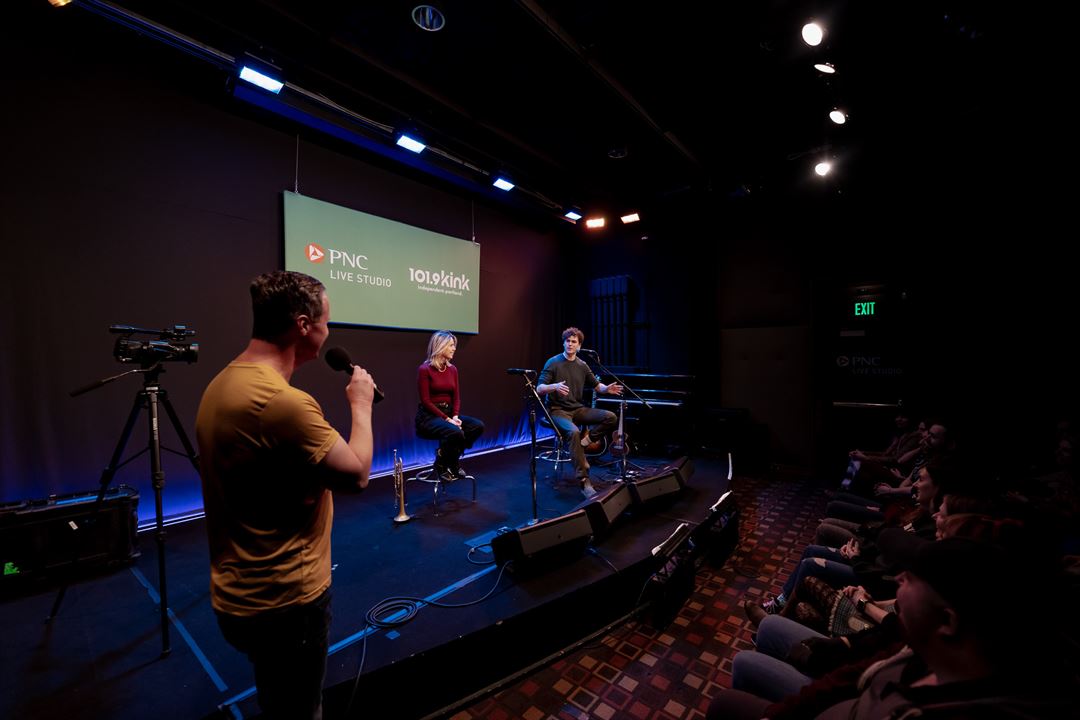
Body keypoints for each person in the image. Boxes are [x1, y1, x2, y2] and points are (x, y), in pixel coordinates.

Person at [195, 270, 375, 720]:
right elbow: (356, 474)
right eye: (326, 321)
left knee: (277, 700)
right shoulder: (282, 402)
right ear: (303, 325)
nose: (329, 332)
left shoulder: (222, 384)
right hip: (287, 603)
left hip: (238, 593)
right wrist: (360, 404)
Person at [537, 327, 623, 497]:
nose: (570, 344)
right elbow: (539, 388)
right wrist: (554, 386)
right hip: (557, 410)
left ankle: (585, 443)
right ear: (563, 343)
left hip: (577, 409)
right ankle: (584, 480)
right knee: (574, 431)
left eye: (574, 341)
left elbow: (597, 386)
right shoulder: (553, 362)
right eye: (567, 341)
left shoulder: (582, 365)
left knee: (610, 417)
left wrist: (606, 389)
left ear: (579, 346)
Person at [415, 330, 484, 481]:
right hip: (428, 417)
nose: (454, 348)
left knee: (477, 426)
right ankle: (446, 465)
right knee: (455, 432)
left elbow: (456, 397)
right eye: (451, 345)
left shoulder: (452, 369)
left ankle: (448, 459)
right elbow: (426, 401)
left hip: (449, 413)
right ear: (441, 346)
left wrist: (455, 416)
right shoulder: (424, 369)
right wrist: (447, 419)